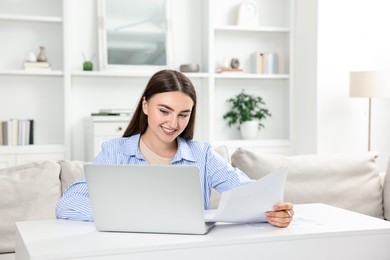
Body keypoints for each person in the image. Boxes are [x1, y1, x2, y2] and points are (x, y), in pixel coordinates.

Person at [56, 69, 294, 227]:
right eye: (164, 111)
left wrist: (275, 209)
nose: (173, 123)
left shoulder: (202, 155)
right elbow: (68, 203)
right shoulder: (116, 152)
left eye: (183, 115)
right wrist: (128, 213)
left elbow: (248, 192)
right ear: (146, 105)